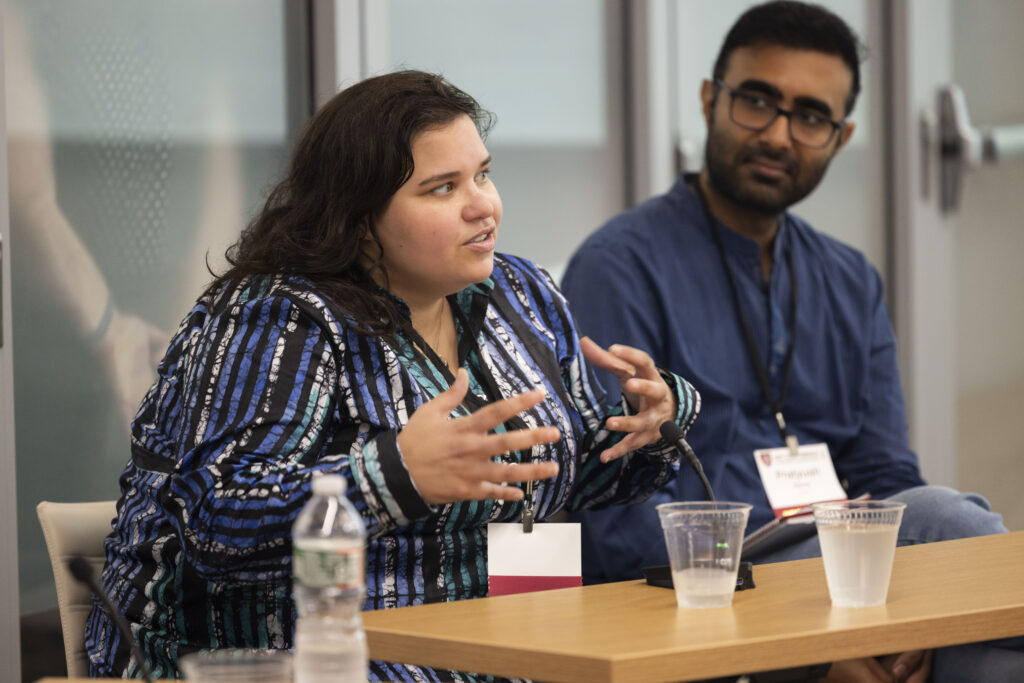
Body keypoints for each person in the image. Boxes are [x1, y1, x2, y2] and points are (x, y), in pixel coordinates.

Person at [83, 70, 700, 681]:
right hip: (286, 659)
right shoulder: (278, 318)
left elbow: (552, 481)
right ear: (359, 221)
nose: (483, 204)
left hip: (493, 650)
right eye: (442, 188)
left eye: (482, 174)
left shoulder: (519, 292)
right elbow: (216, 519)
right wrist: (392, 475)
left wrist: (644, 426)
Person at [561, 1, 1022, 681]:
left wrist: (906, 622)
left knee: (950, 544)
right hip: (701, 583)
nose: (778, 135)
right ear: (709, 99)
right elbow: (615, 517)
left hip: (846, 568)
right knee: (953, 532)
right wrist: (807, 651)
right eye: (756, 101)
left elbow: (887, 474)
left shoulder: (848, 277)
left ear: (841, 136)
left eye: (810, 116)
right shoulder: (621, 264)